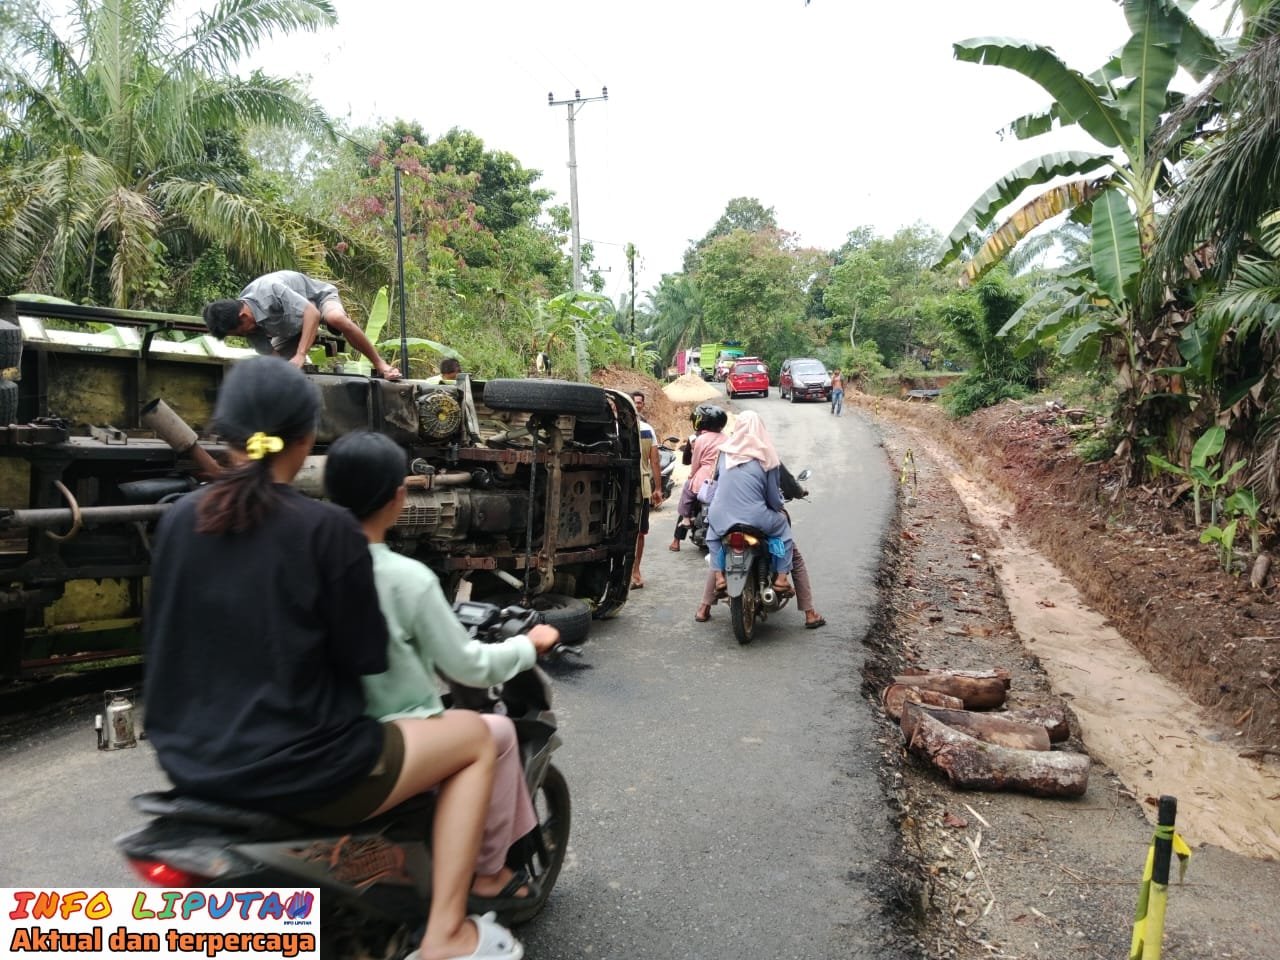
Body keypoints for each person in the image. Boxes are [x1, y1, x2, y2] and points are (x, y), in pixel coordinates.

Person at [143, 357, 510, 960]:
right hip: (308, 770)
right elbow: (365, 656)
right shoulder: (327, 532)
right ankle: (446, 933)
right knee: (474, 739)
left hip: (190, 767)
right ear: (309, 439)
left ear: (227, 433)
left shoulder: (180, 520)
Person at [324, 430, 561, 920]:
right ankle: (487, 875)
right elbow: (467, 666)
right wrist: (527, 645)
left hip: (315, 732)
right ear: (398, 498)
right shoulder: (405, 578)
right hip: (381, 743)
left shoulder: (300, 562)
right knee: (493, 733)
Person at [202, 270, 402, 381]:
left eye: (238, 331)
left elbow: (312, 313)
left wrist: (299, 355)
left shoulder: (270, 290)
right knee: (275, 371)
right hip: (291, 328)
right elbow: (273, 357)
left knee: (336, 320)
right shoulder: (248, 327)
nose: (242, 335)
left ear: (243, 316)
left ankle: (380, 364)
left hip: (317, 302)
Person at [703, 411, 794, 598]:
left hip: (720, 514)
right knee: (783, 528)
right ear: (760, 429)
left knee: (712, 536)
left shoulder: (724, 452)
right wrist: (780, 507)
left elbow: (717, 481)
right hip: (755, 517)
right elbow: (773, 499)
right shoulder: (767, 455)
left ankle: (719, 577)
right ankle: (781, 580)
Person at [668, 403, 729, 552]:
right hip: (723, 478)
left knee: (686, 499)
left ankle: (677, 538)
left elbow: (694, 462)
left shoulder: (699, 438)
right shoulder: (727, 438)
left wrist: (691, 475)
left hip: (704, 477)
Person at [629, 391, 665, 588]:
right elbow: (655, 461)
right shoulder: (647, 430)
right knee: (639, 532)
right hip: (641, 487)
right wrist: (657, 488)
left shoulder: (616, 429)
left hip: (617, 487)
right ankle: (635, 572)